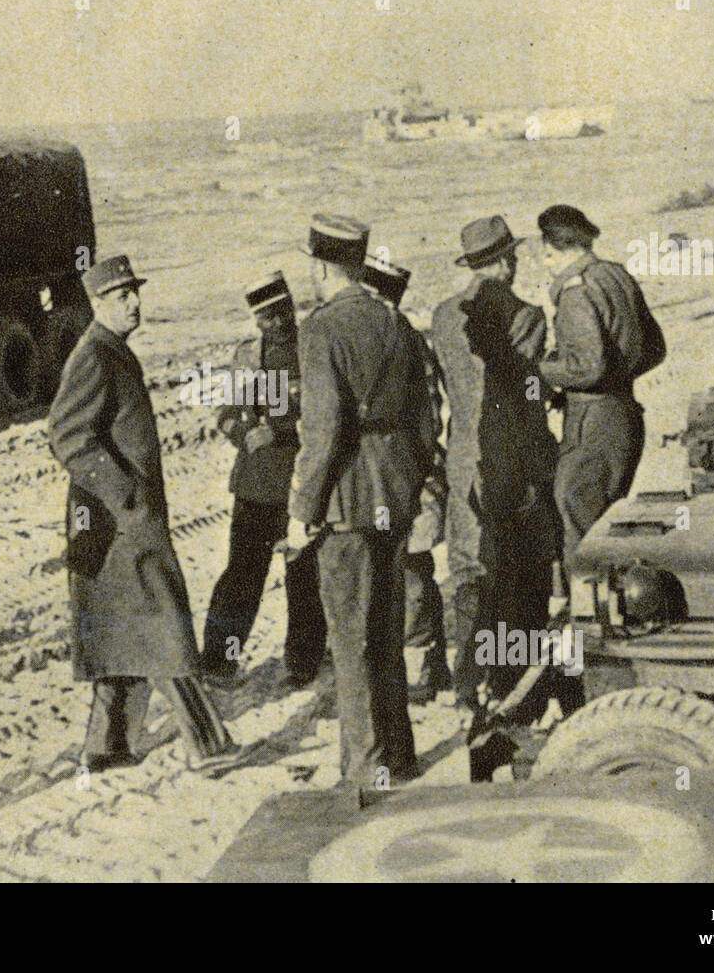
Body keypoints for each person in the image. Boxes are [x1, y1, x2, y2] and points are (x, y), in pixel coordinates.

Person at [48, 254, 251, 776]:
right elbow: (68, 436)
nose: (134, 303)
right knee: (165, 627)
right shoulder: (94, 355)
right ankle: (209, 748)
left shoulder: (111, 350)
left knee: (124, 629)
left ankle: (107, 747)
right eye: (121, 297)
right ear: (98, 303)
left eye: (134, 292)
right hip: (118, 525)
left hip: (114, 524)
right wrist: (126, 495)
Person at [286, 215, 439, 799]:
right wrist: (405, 479)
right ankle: (399, 757)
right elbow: (426, 421)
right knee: (386, 631)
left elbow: (322, 431)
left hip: (347, 499)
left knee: (351, 638)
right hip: (392, 497)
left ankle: (366, 769)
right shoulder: (395, 321)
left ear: (321, 267)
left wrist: (305, 507)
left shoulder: (321, 329)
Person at [430, 216, 563, 709]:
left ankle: (468, 683)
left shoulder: (444, 317)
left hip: (465, 456)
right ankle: (515, 687)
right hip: (514, 460)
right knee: (520, 573)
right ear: (506, 262)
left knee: (469, 569)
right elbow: (526, 391)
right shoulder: (526, 315)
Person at [199, 271, 328, 690]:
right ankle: (220, 661)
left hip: (300, 481)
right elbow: (225, 415)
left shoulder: (315, 347)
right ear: (255, 320)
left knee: (304, 578)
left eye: (281, 312)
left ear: (291, 306)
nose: (276, 323)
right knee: (242, 576)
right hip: (256, 486)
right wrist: (245, 436)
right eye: (266, 317)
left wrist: (281, 431)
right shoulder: (247, 356)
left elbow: (325, 414)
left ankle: (302, 663)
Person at [536, 205, 666, 573]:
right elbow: (656, 349)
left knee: (580, 524)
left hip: (591, 422)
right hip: (624, 415)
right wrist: (619, 375)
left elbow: (587, 366)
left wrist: (542, 371)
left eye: (546, 257)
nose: (547, 266)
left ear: (556, 249)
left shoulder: (576, 292)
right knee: (606, 524)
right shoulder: (616, 277)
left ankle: (587, 622)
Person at [359, 257, 453, 704]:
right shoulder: (370, 340)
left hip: (410, 479)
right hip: (381, 482)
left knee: (412, 575)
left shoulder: (409, 343)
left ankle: (424, 663)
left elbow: (429, 421)